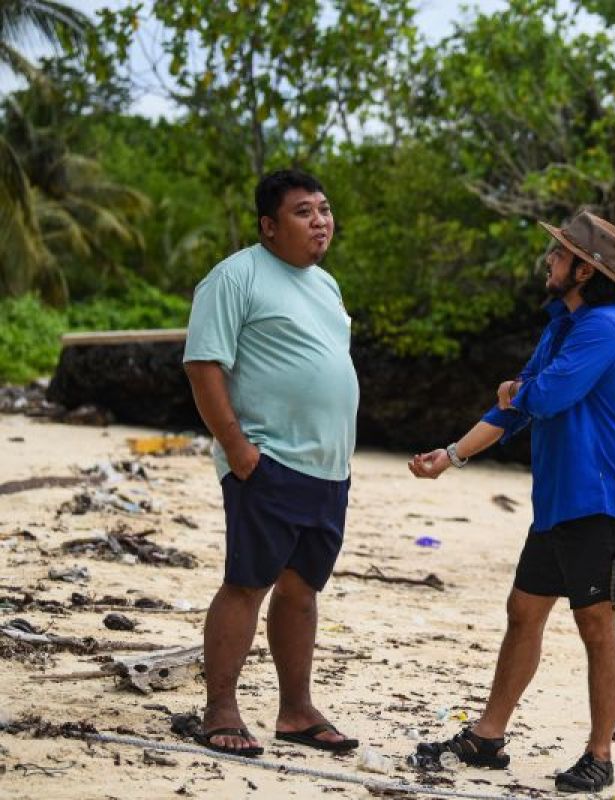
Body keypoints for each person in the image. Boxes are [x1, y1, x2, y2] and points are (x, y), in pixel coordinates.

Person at [408, 210, 615, 793]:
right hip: (560, 501)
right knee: (524, 612)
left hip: (602, 500)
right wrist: (451, 456)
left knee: (595, 624)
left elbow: (546, 394)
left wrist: (519, 390)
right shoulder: (561, 328)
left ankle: (600, 755)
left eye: (560, 254)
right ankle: (487, 737)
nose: (549, 260)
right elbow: (513, 409)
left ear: (585, 270)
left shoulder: (606, 328)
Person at [182, 169, 359, 757]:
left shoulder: (326, 286)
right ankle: (221, 709)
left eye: (324, 209)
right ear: (268, 225)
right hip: (268, 459)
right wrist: (236, 447)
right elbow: (204, 364)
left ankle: (296, 710)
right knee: (247, 583)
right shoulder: (235, 277)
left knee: (303, 590)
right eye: (304, 212)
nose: (321, 221)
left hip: (329, 467)